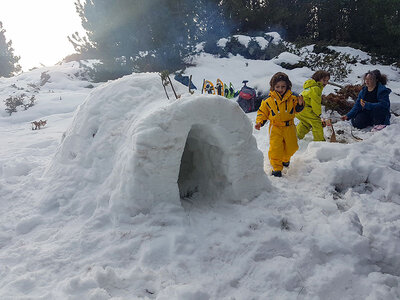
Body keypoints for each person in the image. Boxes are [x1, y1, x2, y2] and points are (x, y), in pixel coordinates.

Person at [255, 72, 304, 177]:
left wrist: (300, 104)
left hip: (289, 126)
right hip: (275, 127)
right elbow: (262, 113)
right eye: (277, 87)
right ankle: (276, 168)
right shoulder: (268, 100)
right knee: (275, 148)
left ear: (287, 86)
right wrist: (260, 122)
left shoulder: (293, 98)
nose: (280, 89)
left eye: (283, 86)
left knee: (292, 147)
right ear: (273, 87)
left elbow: (297, 109)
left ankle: (285, 159)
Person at [296, 70, 330, 141]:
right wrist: (318, 114)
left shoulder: (310, 86)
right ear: (318, 79)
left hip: (299, 109)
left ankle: (296, 136)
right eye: (324, 80)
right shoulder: (316, 88)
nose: (326, 83)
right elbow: (315, 103)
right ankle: (319, 142)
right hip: (306, 109)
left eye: (327, 81)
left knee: (305, 123)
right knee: (316, 123)